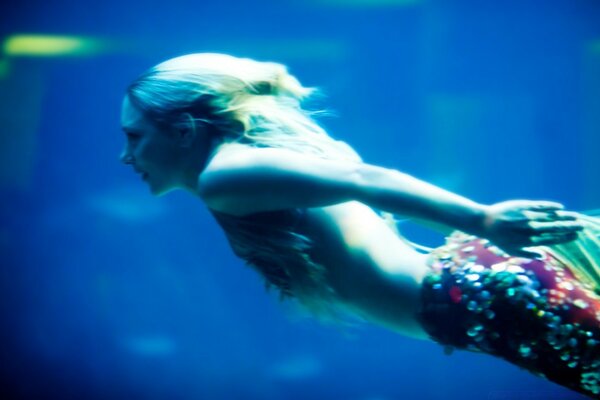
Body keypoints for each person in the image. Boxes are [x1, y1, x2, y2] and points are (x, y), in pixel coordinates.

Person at [119, 53, 600, 398]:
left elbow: (365, 179)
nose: (127, 156)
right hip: (473, 293)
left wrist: (483, 218)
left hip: (474, 298)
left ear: (183, 130)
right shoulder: (248, 166)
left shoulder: (225, 176)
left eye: (135, 137)